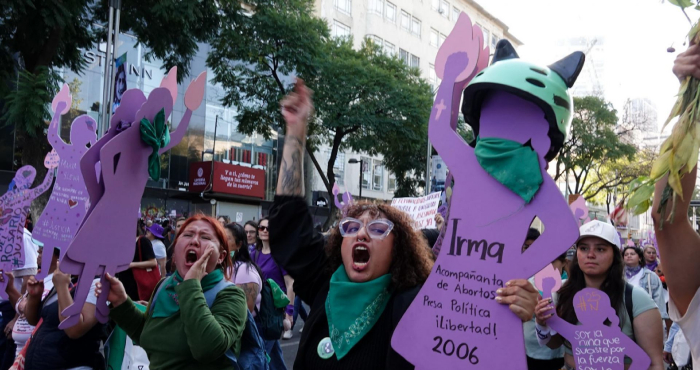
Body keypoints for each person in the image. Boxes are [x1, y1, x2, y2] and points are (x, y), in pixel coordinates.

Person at [269, 79, 538, 369]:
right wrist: (296, 130)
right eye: (351, 227)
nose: (362, 233)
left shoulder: (417, 305)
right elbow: (289, 223)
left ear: (398, 248)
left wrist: (516, 312)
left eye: (378, 229)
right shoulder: (324, 284)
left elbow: (472, 332)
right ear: (339, 244)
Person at [97, 214, 248, 370]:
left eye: (205, 237)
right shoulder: (164, 286)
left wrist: (191, 285)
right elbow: (149, 335)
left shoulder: (231, 296)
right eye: (187, 235)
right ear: (175, 251)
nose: (194, 241)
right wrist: (121, 302)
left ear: (221, 257)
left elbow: (207, 349)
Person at [535, 220, 664, 370]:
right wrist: (542, 322)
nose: (590, 255)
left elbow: (654, 364)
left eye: (600, 249)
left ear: (614, 255)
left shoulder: (636, 298)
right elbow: (553, 343)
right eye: (583, 248)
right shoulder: (561, 293)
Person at [23, 264, 106, 369]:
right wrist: (34, 296)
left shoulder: (97, 284)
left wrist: (62, 286)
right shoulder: (68, 281)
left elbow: (74, 330)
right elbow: (36, 321)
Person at [252, 217, 295, 343]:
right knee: (274, 354)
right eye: (261, 228)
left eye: (269, 228)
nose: (265, 231)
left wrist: (289, 312)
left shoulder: (281, 255)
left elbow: (291, 284)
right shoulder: (254, 254)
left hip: (275, 310)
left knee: (264, 351)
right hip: (259, 308)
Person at [12, 247, 59, 358]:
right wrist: (9, 288)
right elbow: (29, 315)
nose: (38, 252)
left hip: (38, 351)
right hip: (20, 352)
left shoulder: (59, 282)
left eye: (42, 250)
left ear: (56, 256)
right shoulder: (39, 278)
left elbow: (39, 318)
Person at [623, 246, 671, 333]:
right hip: (623, 320)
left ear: (640, 258)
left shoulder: (651, 276)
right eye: (626, 254)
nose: (629, 256)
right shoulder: (617, 276)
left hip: (645, 319)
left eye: (632, 254)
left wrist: (659, 323)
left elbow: (658, 301)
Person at [224, 223, 262, 313]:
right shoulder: (225, 266)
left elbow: (244, 311)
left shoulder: (244, 271)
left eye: (226, 239)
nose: (221, 242)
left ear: (239, 245)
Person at [115, 227, 158, 301]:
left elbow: (153, 262)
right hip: (124, 283)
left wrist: (131, 265)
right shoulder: (123, 242)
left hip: (138, 285)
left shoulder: (142, 241)